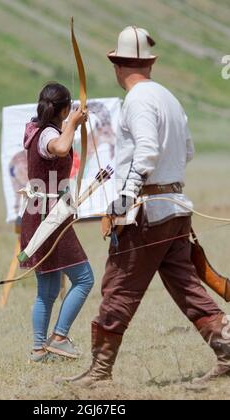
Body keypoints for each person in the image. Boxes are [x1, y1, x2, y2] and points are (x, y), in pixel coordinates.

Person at [59, 26, 230, 385]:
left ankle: (100, 370)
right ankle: (228, 353)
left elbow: (148, 149)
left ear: (118, 66)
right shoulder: (168, 97)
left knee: (119, 286)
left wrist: (126, 195)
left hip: (147, 213)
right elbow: (188, 152)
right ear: (148, 64)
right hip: (174, 209)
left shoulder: (137, 101)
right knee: (186, 285)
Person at [20, 83, 94, 362]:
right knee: (85, 279)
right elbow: (61, 147)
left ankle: (40, 349)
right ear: (63, 109)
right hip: (48, 218)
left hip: (39, 214)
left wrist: (72, 123)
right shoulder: (49, 133)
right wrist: (73, 124)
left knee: (48, 289)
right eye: (69, 108)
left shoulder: (34, 127)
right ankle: (59, 338)